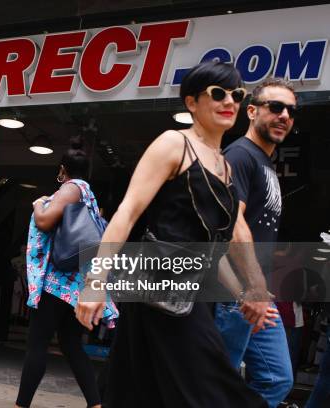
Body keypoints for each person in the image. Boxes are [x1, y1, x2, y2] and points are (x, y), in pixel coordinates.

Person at [76, 61, 271, 407]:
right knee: (212, 389)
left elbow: (216, 249)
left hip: (191, 295)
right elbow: (128, 211)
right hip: (158, 289)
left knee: (151, 393)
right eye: (218, 93)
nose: (230, 101)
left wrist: (240, 295)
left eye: (237, 95)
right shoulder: (174, 144)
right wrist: (95, 283)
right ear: (191, 102)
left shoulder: (225, 166)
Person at [15, 139, 119, 408]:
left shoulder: (72, 188)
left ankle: (21, 405)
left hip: (58, 283)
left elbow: (45, 220)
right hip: (76, 284)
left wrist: (38, 203)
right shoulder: (90, 195)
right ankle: (96, 404)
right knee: (71, 344)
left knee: (37, 342)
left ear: (63, 169)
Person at [214, 78, 297, 407]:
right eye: (276, 107)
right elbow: (232, 224)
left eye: (290, 110)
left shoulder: (265, 164)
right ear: (251, 111)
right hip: (235, 293)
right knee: (217, 384)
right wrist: (251, 287)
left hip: (256, 295)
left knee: (277, 378)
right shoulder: (241, 154)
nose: (284, 116)